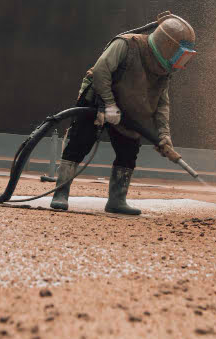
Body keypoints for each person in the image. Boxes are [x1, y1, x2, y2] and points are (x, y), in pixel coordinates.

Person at [51, 12, 198, 215]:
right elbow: (101, 71)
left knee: (128, 151)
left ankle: (117, 200)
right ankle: (60, 194)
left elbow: (162, 104)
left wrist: (164, 135)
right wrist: (109, 105)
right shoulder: (127, 45)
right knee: (79, 143)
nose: (181, 62)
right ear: (168, 46)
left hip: (128, 109)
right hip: (99, 98)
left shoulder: (164, 70)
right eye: (181, 55)